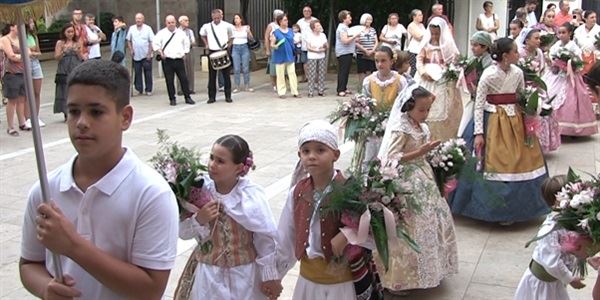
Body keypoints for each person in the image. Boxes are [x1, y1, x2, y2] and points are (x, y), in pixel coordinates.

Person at [19, 59, 179, 299]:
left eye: (96, 112)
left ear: (125, 117)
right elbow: (29, 263)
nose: (81, 123)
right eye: (73, 111)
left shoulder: (151, 194)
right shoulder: (45, 189)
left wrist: (73, 245)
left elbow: (150, 289)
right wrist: (45, 287)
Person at [449, 38, 550, 225]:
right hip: (494, 120)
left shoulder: (518, 72)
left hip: (515, 121)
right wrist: (478, 133)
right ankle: (492, 209)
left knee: (521, 159)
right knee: (492, 162)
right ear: (505, 56)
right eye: (515, 52)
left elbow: (520, 95)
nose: (518, 54)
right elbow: (479, 105)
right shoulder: (489, 75)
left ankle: (520, 207)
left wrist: (530, 110)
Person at [277, 120, 381, 300]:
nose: (311, 156)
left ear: (336, 154)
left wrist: (349, 234)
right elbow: (286, 236)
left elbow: (373, 234)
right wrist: (275, 275)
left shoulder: (350, 189)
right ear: (299, 154)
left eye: (320, 150)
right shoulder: (297, 192)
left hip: (341, 285)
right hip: (308, 280)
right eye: (306, 151)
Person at [175, 135, 281, 300]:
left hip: (244, 277)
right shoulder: (199, 190)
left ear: (239, 168)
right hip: (209, 276)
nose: (212, 165)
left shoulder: (249, 196)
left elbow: (265, 238)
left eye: (220, 161)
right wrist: (199, 219)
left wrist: (269, 275)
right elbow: (182, 232)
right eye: (211, 158)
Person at [376, 84, 458, 294]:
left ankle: (431, 269)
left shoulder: (423, 126)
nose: (425, 114)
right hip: (406, 179)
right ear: (409, 106)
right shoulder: (401, 128)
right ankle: (400, 277)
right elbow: (390, 158)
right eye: (421, 110)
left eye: (428, 110)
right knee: (410, 222)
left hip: (424, 176)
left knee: (432, 217)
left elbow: (424, 149)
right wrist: (419, 152)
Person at [513, 175, 585, 300]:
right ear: (556, 202)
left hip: (554, 282)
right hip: (543, 284)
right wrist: (570, 279)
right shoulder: (550, 230)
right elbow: (552, 262)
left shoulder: (567, 221)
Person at [543, 22, 598, 137]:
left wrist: (570, 64)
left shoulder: (573, 47)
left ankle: (571, 128)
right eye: (559, 33)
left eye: (564, 33)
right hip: (556, 75)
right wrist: (553, 63)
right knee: (551, 95)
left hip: (570, 76)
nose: (561, 35)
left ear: (569, 34)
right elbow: (551, 58)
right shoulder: (556, 45)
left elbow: (578, 63)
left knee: (572, 100)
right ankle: (554, 125)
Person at [360, 46, 408, 168]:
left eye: (383, 61)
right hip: (374, 124)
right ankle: (368, 178)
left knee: (390, 154)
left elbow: (404, 104)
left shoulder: (399, 80)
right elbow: (365, 102)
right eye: (377, 61)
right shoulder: (369, 81)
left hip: (393, 123)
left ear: (391, 61)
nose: (379, 64)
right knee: (371, 154)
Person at [416, 17, 462, 141]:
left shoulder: (447, 45)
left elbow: (454, 60)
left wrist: (449, 71)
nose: (434, 36)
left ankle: (442, 135)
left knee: (444, 105)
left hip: (442, 78)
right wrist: (422, 72)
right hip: (426, 78)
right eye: (432, 33)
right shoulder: (425, 44)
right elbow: (419, 59)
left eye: (437, 33)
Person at [518, 28, 560, 153]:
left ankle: (540, 143)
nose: (539, 41)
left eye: (539, 38)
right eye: (536, 38)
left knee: (544, 110)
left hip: (536, 86)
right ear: (527, 40)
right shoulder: (520, 53)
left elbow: (541, 71)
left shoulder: (539, 53)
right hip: (524, 87)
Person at [457, 31, 494, 137]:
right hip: (475, 96)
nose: (472, 48)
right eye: (471, 45)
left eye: (475, 45)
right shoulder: (473, 60)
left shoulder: (490, 62)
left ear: (485, 46)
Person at [154, 15, 195, 106]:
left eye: (172, 22)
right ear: (166, 23)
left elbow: (186, 43)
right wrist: (160, 52)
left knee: (184, 79)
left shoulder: (181, 33)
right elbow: (156, 43)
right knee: (169, 81)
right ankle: (172, 98)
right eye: (169, 23)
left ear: (175, 22)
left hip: (179, 59)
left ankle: (187, 97)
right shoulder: (161, 33)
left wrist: (185, 53)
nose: (171, 24)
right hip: (167, 60)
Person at [200, 9, 233, 104]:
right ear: (212, 17)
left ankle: (228, 96)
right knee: (212, 76)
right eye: (214, 18)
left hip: (223, 50)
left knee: (226, 75)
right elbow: (202, 34)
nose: (216, 19)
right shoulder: (207, 26)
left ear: (221, 17)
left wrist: (229, 45)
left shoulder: (227, 25)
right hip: (212, 51)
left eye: (218, 18)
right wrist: (206, 44)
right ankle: (211, 97)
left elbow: (232, 36)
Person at [1, 24, 28, 136]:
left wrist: (24, 55)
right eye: (18, 26)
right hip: (11, 73)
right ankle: (10, 126)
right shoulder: (5, 39)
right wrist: (24, 56)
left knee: (22, 99)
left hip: (22, 72)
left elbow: (29, 51)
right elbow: (11, 55)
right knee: (12, 100)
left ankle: (22, 122)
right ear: (12, 27)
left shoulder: (21, 38)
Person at [54, 24, 84, 121]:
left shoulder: (77, 41)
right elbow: (56, 57)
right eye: (68, 32)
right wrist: (64, 51)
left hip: (75, 65)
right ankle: (66, 112)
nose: (70, 34)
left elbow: (81, 57)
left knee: (76, 89)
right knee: (65, 90)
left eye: (72, 31)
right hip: (64, 68)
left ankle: (77, 110)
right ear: (64, 33)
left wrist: (78, 52)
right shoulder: (60, 43)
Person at [270, 14, 300, 99]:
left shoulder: (291, 31)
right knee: (280, 75)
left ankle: (295, 92)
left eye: (286, 20)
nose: (286, 21)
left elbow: (294, 41)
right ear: (280, 22)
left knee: (292, 73)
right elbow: (272, 43)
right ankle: (281, 92)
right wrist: (274, 46)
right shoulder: (275, 32)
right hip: (279, 55)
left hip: (290, 55)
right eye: (284, 20)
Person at [127, 13, 154, 96]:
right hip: (136, 55)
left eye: (140, 18)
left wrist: (149, 53)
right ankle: (139, 88)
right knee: (137, 72)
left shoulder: (148, 28)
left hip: (146, 55)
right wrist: (131, 49)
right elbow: (129, 40)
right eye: (137, 19)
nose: (138, 20)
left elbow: (151, 41)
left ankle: (148, 89)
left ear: (143, 19)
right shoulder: (132, 28)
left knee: (148, 73)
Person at [24, 18, 45, 128]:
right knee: (27, 92)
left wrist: (33, 52)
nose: (32, 24)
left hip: (35, 62)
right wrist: (30, 52)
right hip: (24, 63)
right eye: (30, 22)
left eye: (33, 21)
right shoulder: (21, 36)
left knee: (36, 91)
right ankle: (27, 118)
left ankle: (35, 116)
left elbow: (38, 51)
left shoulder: (33, 36)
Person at [335, 10, 359, 97]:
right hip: (343, 52)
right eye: (349, 17)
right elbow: (344, 41)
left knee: (346, 71)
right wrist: (354, 37)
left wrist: (354, 39)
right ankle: (340, 89)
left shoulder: (346, 28)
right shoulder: (342, 28)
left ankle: (344, 87)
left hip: (348, 52)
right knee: (343, 71)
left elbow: (349, 39)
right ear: (344, 19)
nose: (351, 19)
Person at [231, 14, 255, 93]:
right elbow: (230, 39)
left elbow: (251, 38)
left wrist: (248, 32)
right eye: (235, 18)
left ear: (241, 19)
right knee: (237, 68)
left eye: (237, 18)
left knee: (245, 68)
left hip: (244, 47)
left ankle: (247, 86)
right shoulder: (232, 28)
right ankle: (237, 86)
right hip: (235, 48)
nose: (236, 20)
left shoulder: (246, 27)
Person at [305, 19, 328, 98]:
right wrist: (316, 50)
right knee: (312, 74)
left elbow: (326, 45)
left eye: (319, 25)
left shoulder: (323, 35)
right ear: (313, 28)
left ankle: (321, 90)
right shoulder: (309, 35)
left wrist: (324, 47)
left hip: (321, 56)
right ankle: (310, 91)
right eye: (317, 26)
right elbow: (308, 47)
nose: (319, 27)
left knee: (321, 74)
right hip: (312, 57)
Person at [574, 10, 600, 74]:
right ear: (585, 19)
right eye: (592, 17)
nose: (594, 19)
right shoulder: (578, 30)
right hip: (581, 60)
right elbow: (574, 45)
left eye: (595, 17)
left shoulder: (599, 29)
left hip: (595, 60)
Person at [265, 9, 285, 92]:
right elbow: (266, 37)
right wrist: (267, 49)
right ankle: (274, 84)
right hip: (274, 48)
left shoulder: (283, 25)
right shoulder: (271, 25)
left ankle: (281, 83)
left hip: (282, 48)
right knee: (273, 67)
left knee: (282, 67)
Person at [355, 13, 378, 85]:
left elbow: (376, 41)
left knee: (370, 70)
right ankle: (361, 86)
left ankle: (369, 86)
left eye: (370, 19)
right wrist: (365, 50)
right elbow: (356, 42)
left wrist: (373, 50)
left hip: (371, 53)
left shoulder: (373, 30)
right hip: (361, 53)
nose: (369, 21)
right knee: (361, 71)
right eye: (368, 19)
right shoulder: (358, 29)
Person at [296, 6, 317, 83]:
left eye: (308, 11)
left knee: (314, 61)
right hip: (303, 45)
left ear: (311, 12)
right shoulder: (300, 22)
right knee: (305, 62)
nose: (306, 12)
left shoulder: (315, 20)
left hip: (314, 45)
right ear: (303, 12)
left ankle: (314, 77)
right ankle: (307, 77)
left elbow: (320, 30)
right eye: (305, 11)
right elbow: (296, 32)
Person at [177, 15, 196, 95]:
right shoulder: (177, 31)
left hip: (189, 51)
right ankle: (180, 89)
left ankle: (190, 88)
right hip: (180, 52)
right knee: (180, 70)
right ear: (181, 22)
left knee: (190, 70)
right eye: (185, 20)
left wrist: (189, 43)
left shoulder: (190, 31)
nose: (187, 22)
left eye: (188, 20)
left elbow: (193, 42)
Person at [406, 9, 426, 77]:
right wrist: (425, 36)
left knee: (420, 68)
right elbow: (418, 37)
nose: (421, 16)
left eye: (421, 15)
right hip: (413, 50)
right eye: (419, 15)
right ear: (414, 17)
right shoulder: (411, 25)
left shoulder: (422, 25)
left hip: (421, 50)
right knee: (413, 68)